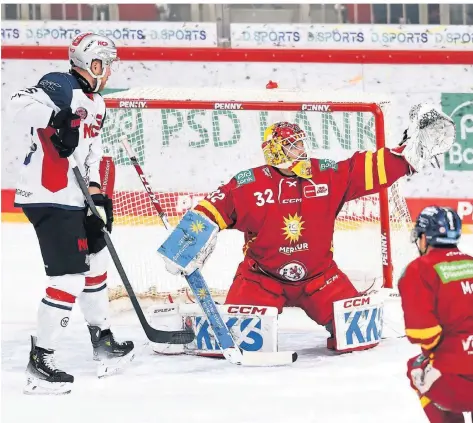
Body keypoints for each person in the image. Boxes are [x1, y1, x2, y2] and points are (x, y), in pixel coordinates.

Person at [158, 106, 455, 354]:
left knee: (359, 339)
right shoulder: (250, 183)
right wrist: (183, 243)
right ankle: (183, 326)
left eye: (301, 143)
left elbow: (363, 168)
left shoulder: (324, 173)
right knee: (234, 343)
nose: (301, 150)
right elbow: (210, 208)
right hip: (261, 279)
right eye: (292, 145)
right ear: (275, 151)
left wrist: (406, 157)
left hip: (320, 279)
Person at [10, 32, 134, 395]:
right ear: (86, 63)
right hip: (49, 196)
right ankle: (41, 362)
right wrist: (58, 116)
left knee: (96, 264)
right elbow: (16, 106)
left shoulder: (98, 104)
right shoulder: (60, 84)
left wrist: (96, 192)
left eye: (108, 65)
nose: (106, 71)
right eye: (102, 64)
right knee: (68, 279)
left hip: (77, 197)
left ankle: (103, 340)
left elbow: (91, 151)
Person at [398, 206, 473, 423]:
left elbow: (423, 334)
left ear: (424, 238)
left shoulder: (418, 270)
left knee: (416, 368)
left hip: (457, 381)